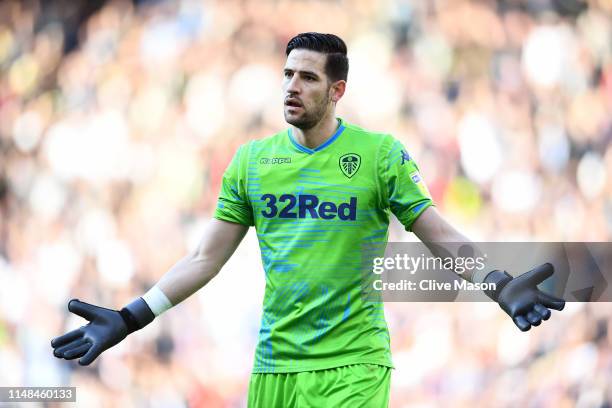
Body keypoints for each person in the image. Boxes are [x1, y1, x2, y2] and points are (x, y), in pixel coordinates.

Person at [51, 32, 565, 407]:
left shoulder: (379, 155)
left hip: (354, 366)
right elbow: (205, 257)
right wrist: (130, 317)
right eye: (287, 75)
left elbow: (439, 235)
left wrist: (495, 282)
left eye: (308, 77)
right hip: (275, 366)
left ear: (337, 90)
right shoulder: (251, 162)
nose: (292, 87)